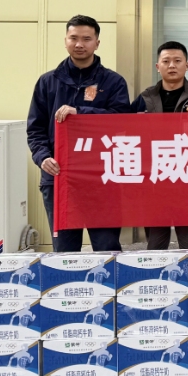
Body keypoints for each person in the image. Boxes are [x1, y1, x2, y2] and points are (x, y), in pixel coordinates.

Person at [26, 15, 131, 252]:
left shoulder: (113, 82)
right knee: (65, 251)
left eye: (86, 39)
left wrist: (81, 112)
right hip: (59, 177)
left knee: (107, 247)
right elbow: (35, 128)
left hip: (102, 177)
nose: (79, 44)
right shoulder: (47, 82)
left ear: (97, 43)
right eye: (73, 38)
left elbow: (121, 122)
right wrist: (43, 157)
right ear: (65, 40)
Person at [131, 40, 188, 250]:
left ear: (187, 65)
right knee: (155, 245)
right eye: (166, 61)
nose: (172, 65)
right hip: (154, 181)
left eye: (177, 61)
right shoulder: (144, 99)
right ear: (157, 66)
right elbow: (126, 135)